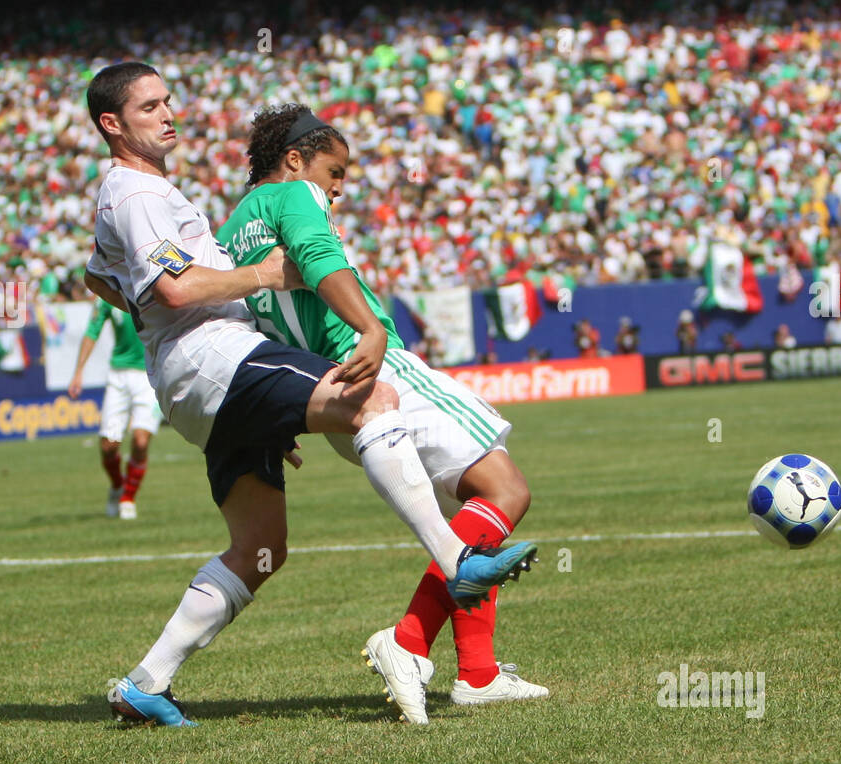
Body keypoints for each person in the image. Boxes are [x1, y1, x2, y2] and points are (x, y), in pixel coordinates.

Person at [81, 63, 537, 727]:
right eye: (150, 106)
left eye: (168, 100)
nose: (168, 113)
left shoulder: (156, 198)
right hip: (218, 360)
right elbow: (182, 289)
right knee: (381, 406)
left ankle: (145, 683)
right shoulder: (151, 194)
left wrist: (263, 405)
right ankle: (445, 587)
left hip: (209, 385)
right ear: (112, 123)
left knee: (260, 546)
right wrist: (321, 304)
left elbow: (100, 277)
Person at [215, 103, 548, 722]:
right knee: (505, 490)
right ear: (294, 160)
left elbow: (249, 334)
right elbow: (319, 257)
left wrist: (283, 412)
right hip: (377, 368)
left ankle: (477, 672)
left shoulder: (231, 232)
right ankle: (408, 640)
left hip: (337, 397)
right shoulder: (294, 196)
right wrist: (369, 328)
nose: (339, 187)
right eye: (334, 171)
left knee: (471, 514)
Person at [67, 298, 162, 520]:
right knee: (109, 445)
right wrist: (78, 371)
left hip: (150, 376)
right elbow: (93, 331)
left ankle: (128, 498)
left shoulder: (153, 285)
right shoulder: (107, 294)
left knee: (140, 440)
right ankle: (118, 485)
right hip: (118, 377)